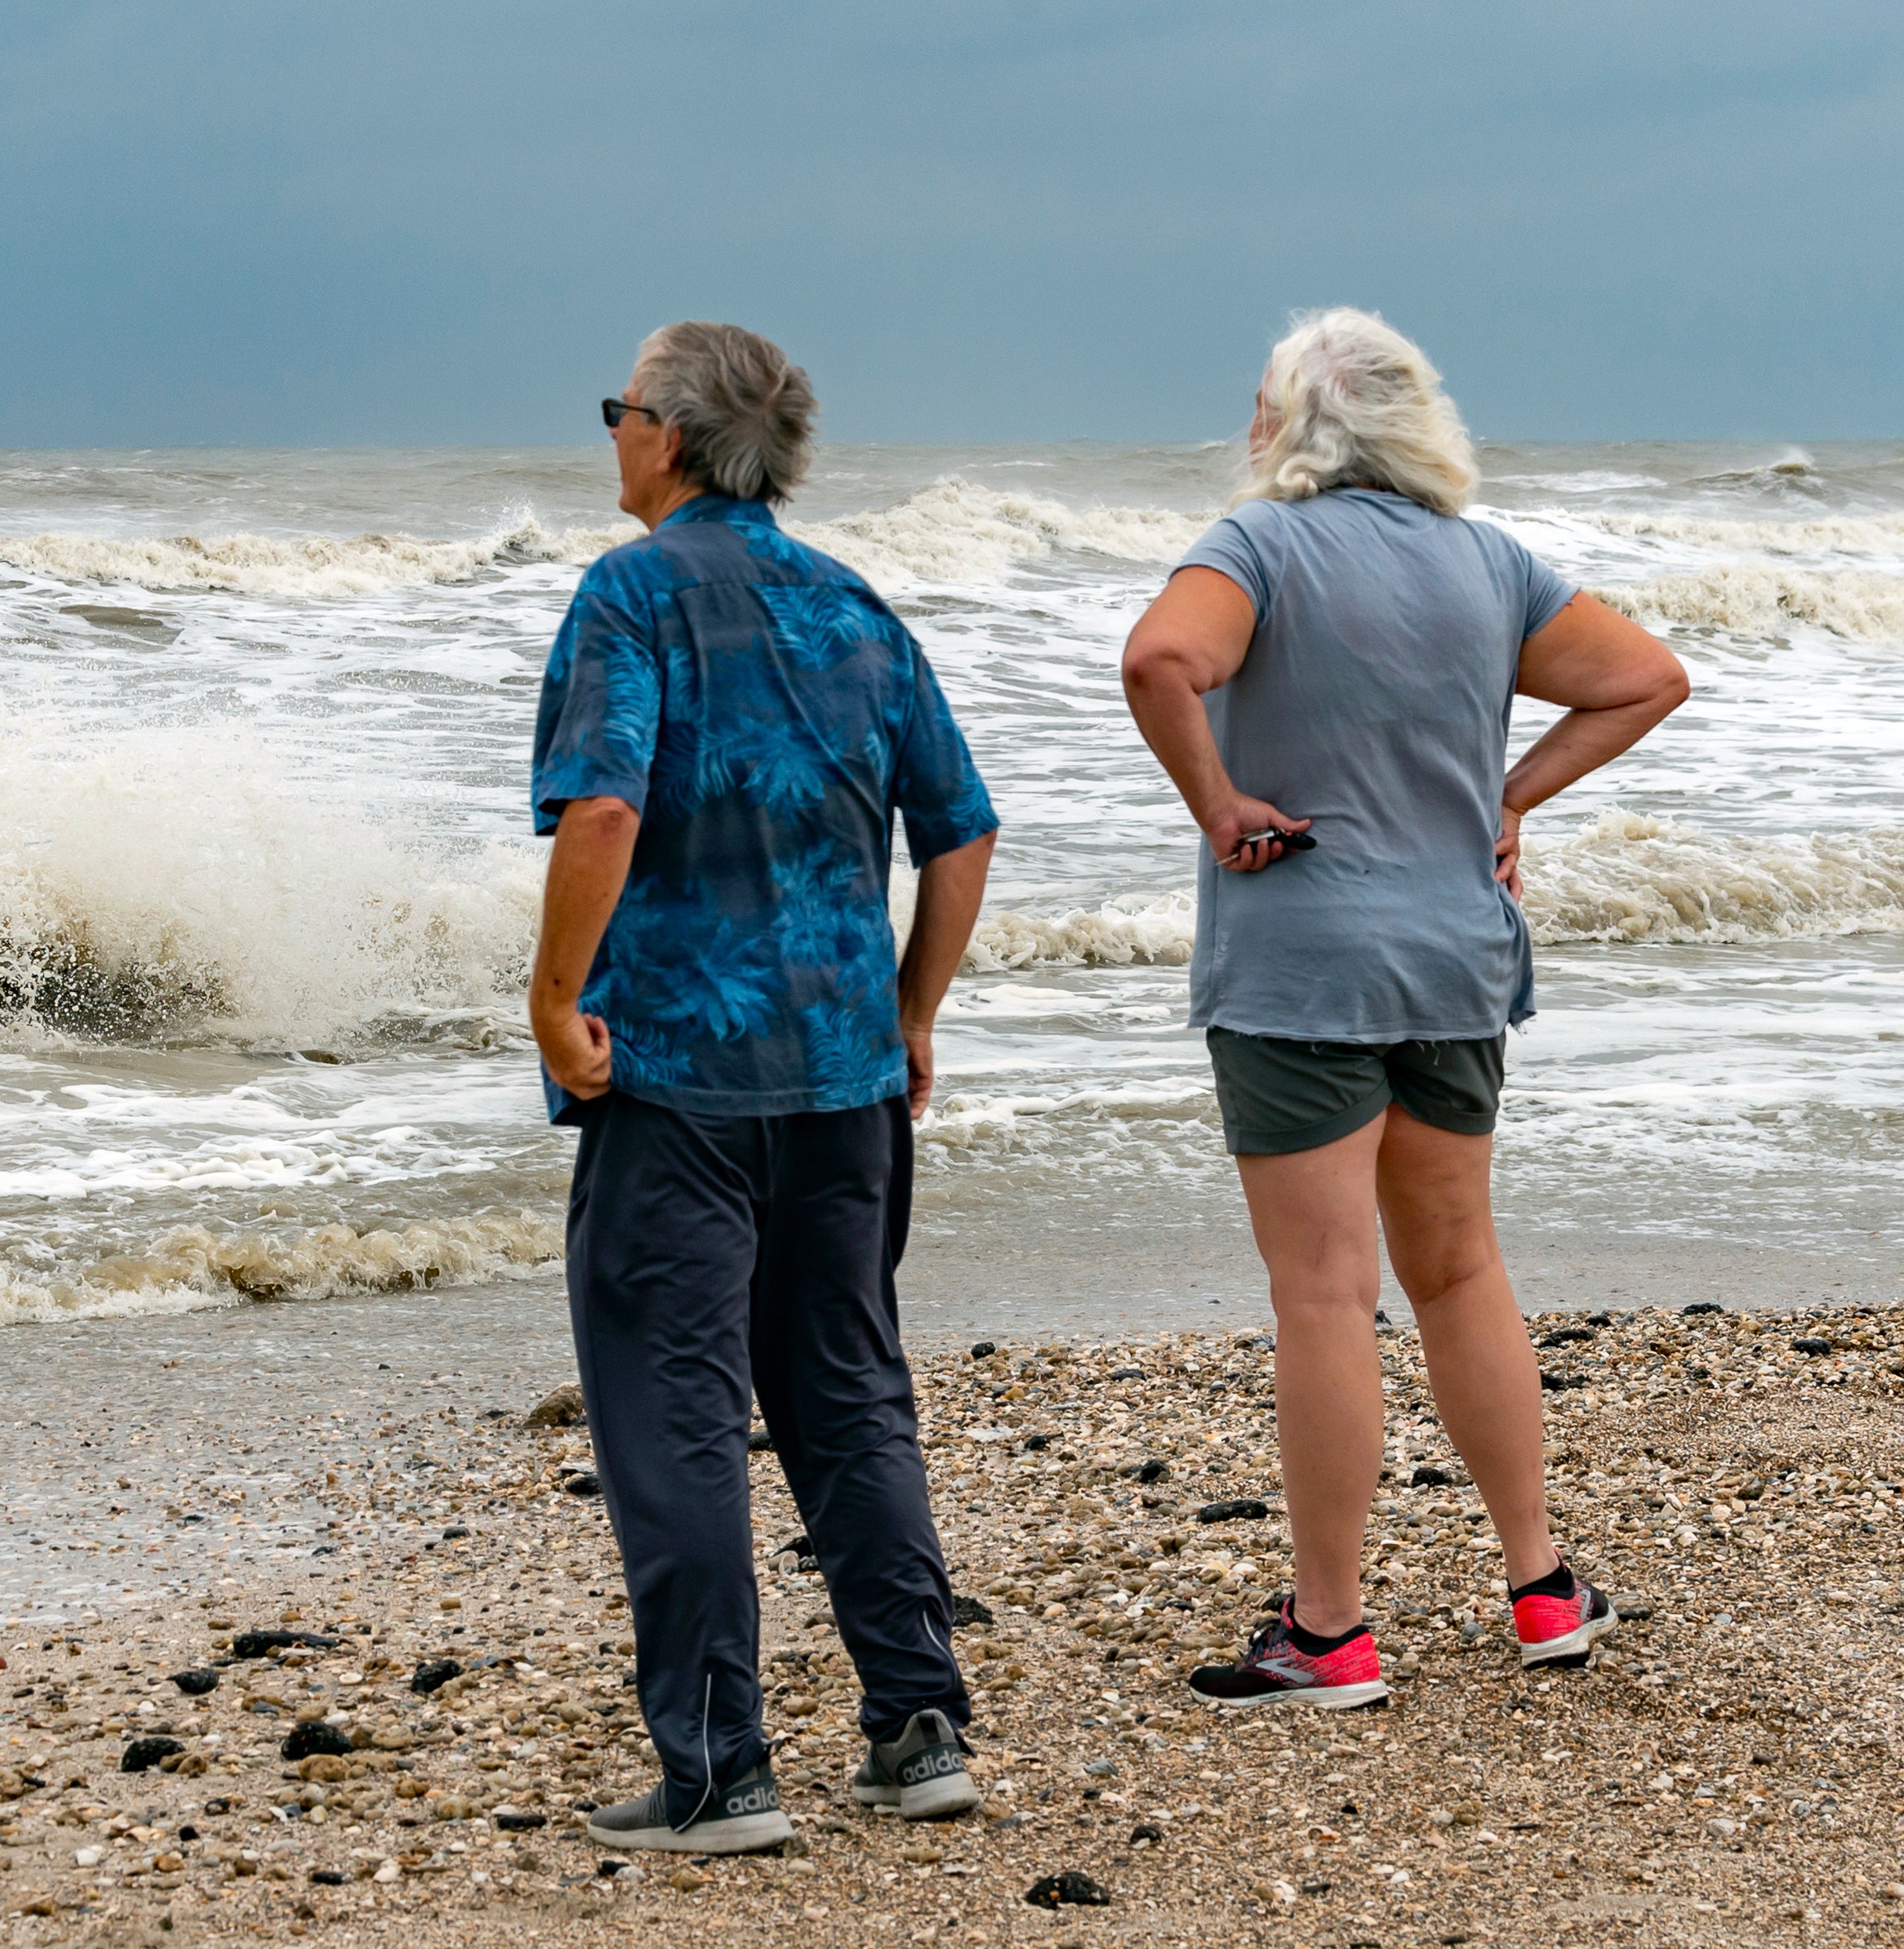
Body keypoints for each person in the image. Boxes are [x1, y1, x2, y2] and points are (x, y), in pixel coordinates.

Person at [1119, 309, 1689, 1710]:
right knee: (1458, 1268)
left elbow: (1157, 661)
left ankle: (1329, 1634)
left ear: (1282, 423)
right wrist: (1503, 798)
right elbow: (1643, 678)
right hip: (1452, 957)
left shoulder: (1257, 547)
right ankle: (1542, 1587)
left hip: (1303, 962)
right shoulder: (1485, 561)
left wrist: (1218, 805)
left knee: (1324, 1292)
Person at [529, 321, 1000, 1852]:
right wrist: (912, 1005)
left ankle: (721, 1764)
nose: (611, 434)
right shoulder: (850, 603)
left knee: (672, 1407)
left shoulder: (632, 594)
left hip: (676, 1068)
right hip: (843, 1072)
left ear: (665, 434)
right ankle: (917, 1721)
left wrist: (552, 996)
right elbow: (962, 826)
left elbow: (601, 804)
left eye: (618, 410)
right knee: (847, 1389)